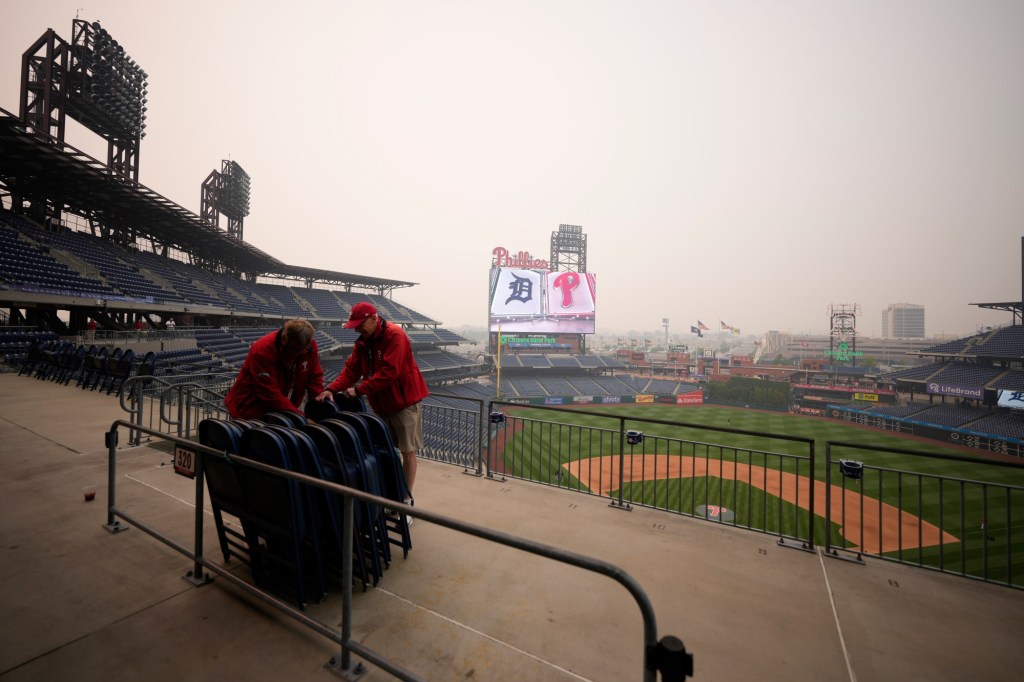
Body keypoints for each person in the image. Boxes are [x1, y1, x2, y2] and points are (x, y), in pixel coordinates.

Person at [317, 302, 428, 504]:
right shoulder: (363, 342)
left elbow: (389, 372)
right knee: (386, 450)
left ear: (374, 318)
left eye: (360, 324)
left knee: (407, 451)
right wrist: (331, 389)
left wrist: (359, 389)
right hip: (382, 405)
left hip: (404, 403)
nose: (357, 329)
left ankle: (405, 499)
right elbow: (351, 371)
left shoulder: (395, 335)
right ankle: (390, 492)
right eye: (355, 325)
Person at [225, 319, 325, 420]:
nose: (297, 353)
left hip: (273, 409)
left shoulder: (309, 346)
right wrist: (299, 416)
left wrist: (318, 405)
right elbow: (269, 392)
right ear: (285, 338)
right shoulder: (263, 350)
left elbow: (314, 376)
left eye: (300, 350)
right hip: (247, 407)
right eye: (294, 349)